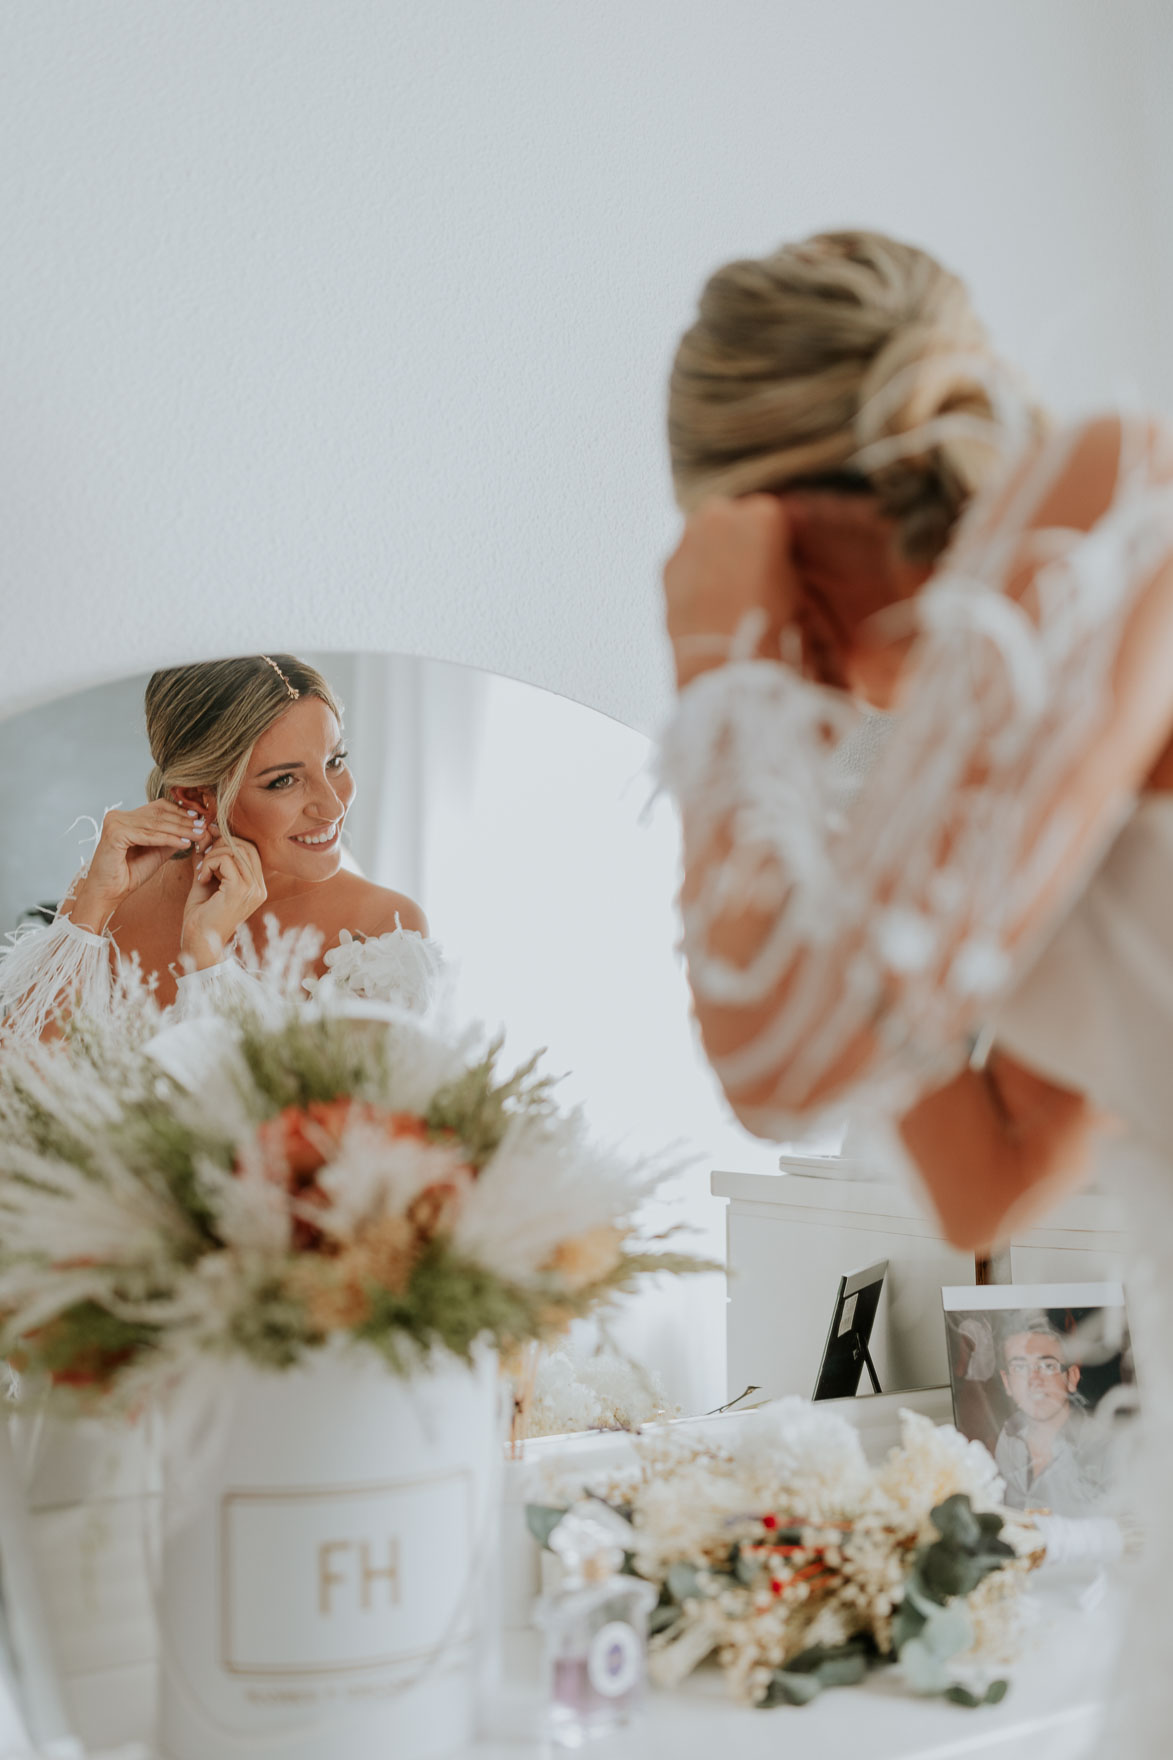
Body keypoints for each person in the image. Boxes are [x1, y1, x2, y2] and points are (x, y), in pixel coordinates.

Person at [656, 228, 1173, 1751]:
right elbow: (988, 1174)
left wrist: (719, 676)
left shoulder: (1106, 497)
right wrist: (800, 759)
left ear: (769, 515)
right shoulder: (996, 774)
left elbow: (774, 1064)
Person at [0, 654, 442, 1037]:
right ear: (195, 797)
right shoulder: (112, 894)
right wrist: (91, 910)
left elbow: (311, 1129)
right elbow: (19, 1092)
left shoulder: (385, 932)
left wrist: (208, 960)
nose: (332, 806)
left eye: (336, 761)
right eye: (284, 781)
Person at [992, 1313, 1110, 1516]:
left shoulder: (1101, 1445)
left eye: (1047, 1366)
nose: (1033, 1380)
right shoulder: (1008, 1439)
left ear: (1072, 1377)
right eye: (1020, 1367)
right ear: (1007, 1383)